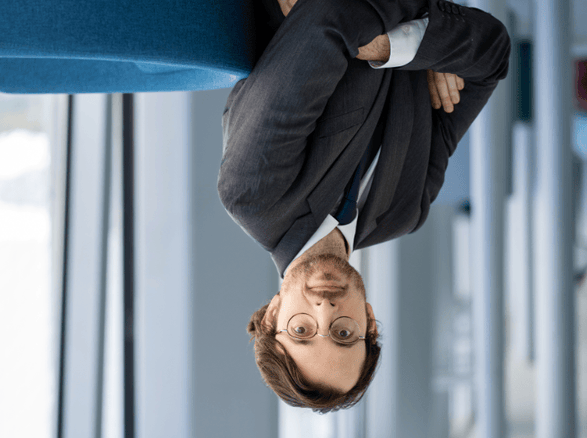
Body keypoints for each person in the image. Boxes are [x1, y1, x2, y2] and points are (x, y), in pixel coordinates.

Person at [218, 0, 511, 412]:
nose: (325, 309)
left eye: (301, 331)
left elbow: (328, 18)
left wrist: (428, 42)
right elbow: (493, 52)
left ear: (272, 316)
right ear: (369, 322)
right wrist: (401, 48)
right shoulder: (403, 212)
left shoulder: (254, 192)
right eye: (343, 334)